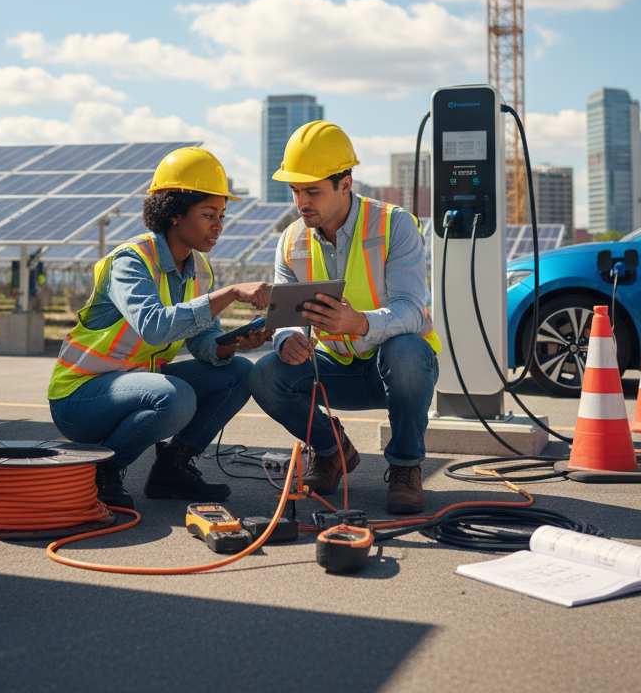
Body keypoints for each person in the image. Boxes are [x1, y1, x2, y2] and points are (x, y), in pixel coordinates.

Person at [48, 147, 271, 509]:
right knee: (175, 396)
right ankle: (102, 472)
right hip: (80, 397)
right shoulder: (130, 262)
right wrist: (229, 294)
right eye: (208, 215)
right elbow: (153, 328)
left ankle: (173, 467)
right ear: (174, 215)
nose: (219, 225)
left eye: (221, 215)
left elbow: (203, 343)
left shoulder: (199, 270)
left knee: (240, 373)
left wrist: (230, 345)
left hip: (137, 385)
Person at [249, 121, 441, 514]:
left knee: (407, 352)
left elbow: (413, 310)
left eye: (312, 191)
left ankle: (406, 466)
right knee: (265, 374)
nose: (301, 202)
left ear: (346, 183)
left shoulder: (394, 225)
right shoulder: (291, 240)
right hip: (331, 370)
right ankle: (331, 451)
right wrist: (287, 340)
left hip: (393, 370)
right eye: (295, 191)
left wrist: (361, 323)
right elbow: (285, 315)